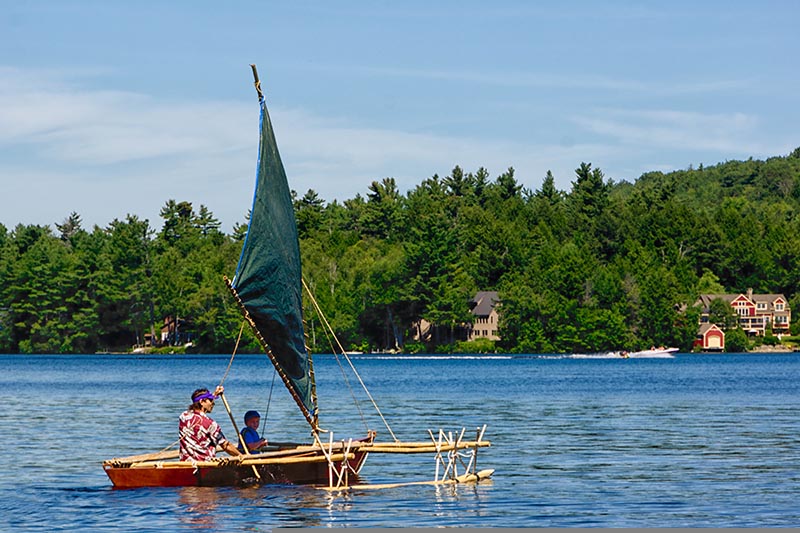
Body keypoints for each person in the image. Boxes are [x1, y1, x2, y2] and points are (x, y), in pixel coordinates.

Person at [179, 385, 241, 461]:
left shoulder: (184, 416)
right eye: (210, 400)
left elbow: (197, 411)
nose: (213, 403)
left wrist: (214, 394)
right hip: (205, 465)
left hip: (186, 462)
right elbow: (225, 445)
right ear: (202, 402)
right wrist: (241, 456)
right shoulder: (211, 424)